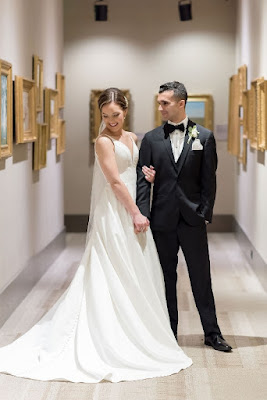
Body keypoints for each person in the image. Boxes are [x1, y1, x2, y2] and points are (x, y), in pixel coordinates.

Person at [0, 88, 192, 383]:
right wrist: (136, 213)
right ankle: (106, 334)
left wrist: (148, 176)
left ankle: (134, 330)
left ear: (125, 112)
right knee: (111, 267)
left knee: (135, 270)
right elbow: (114, 181)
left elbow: (133, 171)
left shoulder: (131, 138)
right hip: (116, 212)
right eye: (105, 116)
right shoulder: (102, 141)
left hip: (130, 208)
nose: (111, 120)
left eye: (115, 115)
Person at [137, 81, 232, 352]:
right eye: (159, 102)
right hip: (162, 220)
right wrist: (144, 215)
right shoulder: (151, 139)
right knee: (165, 278)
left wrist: (204, 212)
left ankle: (212, 334)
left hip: (192, 220)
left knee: (201, 277)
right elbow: (142, 182)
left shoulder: (205, 136)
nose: (160, 108)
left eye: (165, 103)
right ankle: (168, 334)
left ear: (181, 103)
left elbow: (209, 181)